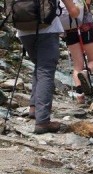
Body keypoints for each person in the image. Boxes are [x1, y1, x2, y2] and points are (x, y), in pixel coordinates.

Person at [20, 0, 80, 134]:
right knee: (45, 71)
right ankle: (43, 121)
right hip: (47, 29)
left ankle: (34, 108)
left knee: (39, 67)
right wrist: (79, 9)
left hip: (23, 30)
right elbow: (73, 12)